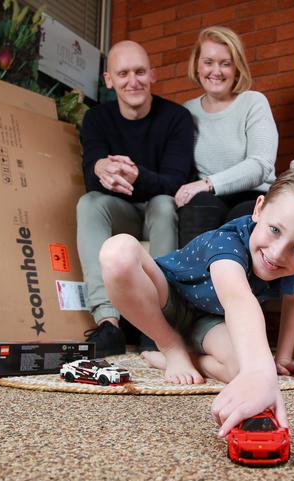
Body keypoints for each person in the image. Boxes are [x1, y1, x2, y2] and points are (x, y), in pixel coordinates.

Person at [99, 167, 294, 437]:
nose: (278, 253)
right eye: (274, 230)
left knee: (240, 370)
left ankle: (182, 358)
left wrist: (282, 358)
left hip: (210, 321)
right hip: (167, 297)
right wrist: (261, 371)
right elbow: (237, 299)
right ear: (259, 209)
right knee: (118, 253)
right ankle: (171, 348)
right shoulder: (227, 241)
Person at [77, 40, 194, 357]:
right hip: (123, 212)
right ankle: (108, 323)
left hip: (161, 211)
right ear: (108, 80)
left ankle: (157, 323)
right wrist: (100, 167)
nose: (133, 81)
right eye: (123, 73)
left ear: (153, 75)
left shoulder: (176, 118)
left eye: (140, 71)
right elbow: (92, 176)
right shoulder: (96, 119)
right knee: (88, 203)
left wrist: (135, 175)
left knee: (162, 202)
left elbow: (174, 182)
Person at [175, 26, 279, 247]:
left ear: (237, 67)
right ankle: (191, 279)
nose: (216, 71)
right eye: (208, 62)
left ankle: (233, 281)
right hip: (208, 199)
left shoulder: (253, 102)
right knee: (199, 209)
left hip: (253, 194)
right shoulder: (186, 112)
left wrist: (207, 183)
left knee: (241, 219)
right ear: (197, 65)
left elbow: (261, 164)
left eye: (225, 63)